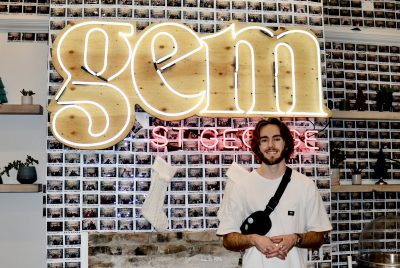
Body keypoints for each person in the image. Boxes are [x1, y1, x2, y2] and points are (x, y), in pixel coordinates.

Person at [217, 118, 331, 267]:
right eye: (264, 140)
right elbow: (228, 240)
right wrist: (253, 239)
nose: (270, 145)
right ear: (258, 146)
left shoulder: (305, 185)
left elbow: (318, 236)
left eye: (276, 139)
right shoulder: (242, 186)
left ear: (286, 144)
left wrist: (295, 239)